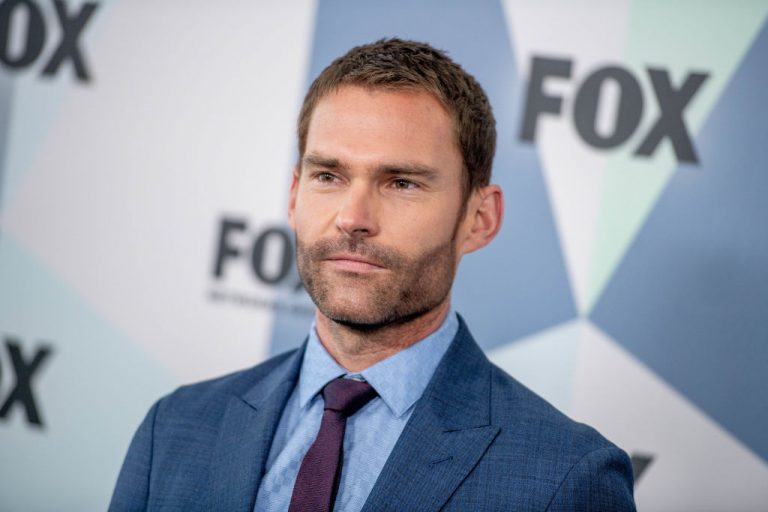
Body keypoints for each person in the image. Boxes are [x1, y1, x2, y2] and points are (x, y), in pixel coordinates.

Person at [109, 38, 636, 511]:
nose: (353, 217)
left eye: (402, 182)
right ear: (293, 196)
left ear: (479, 219)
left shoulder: (566, 478)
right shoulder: (174, 429)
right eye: (328, 175)